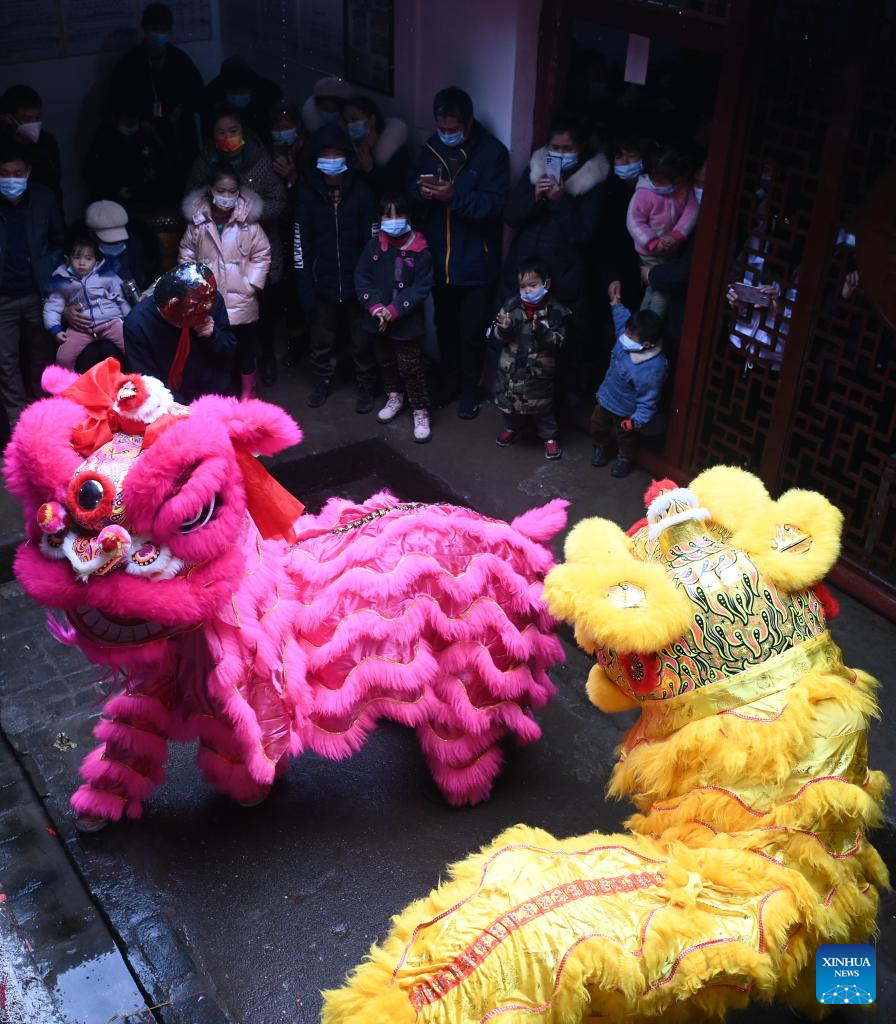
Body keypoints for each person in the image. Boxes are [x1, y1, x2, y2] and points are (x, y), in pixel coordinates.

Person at [409, 86, 509, 418]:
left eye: (453, 129)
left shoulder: (492, 153)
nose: (447, 134)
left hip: (477, 262)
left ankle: (470, 392)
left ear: (468, 122)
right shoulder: (431, 148)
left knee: (472, 333)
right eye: (442, 128)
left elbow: (494, 205)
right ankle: (449, 384)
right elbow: (410, 189)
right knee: (445, 328)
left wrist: (454, 197)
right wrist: (422, 194)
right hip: (440, 260)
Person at [502, 114, 608, 402]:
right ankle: (518, 405)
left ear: (581, 148)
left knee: (557, 349)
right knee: (518, 342)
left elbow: (583, 234)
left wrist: (561, 201)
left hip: (564, 279)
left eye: (567, 148)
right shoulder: (537, 169)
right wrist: (534, 197)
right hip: (524, 271)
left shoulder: (593, 181)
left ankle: (554, 412)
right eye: (555, 148)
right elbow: (511, 215)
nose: (560, 154)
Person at [186, 105, 288, 385]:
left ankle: (265, 361)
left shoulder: (261, 159)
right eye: (221, 132)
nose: (227, 137)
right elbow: (192, 201)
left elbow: (279, 201)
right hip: (216, 260)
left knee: (260, 318)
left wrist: (249, 215)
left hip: (252, 252)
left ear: (244, 131)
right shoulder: (204, 162)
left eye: (233, 131)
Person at [294, 124, 378, 411]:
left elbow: (373, 242)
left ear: (347, 157)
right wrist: (306, 288)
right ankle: (323, 380)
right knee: (321, 339)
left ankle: (366, 385)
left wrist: (371, 284)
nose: (331, 160)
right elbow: (301, 245)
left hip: (359, 283)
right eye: (325, 155)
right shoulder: (307, 194)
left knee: (363, 339)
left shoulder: (363, 193)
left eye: (336, 154)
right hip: (322, 282)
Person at [179, 171, 271, 399]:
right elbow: (186, 255)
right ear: (211, 190)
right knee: (215, 347)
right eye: (221, 191)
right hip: (208, 298)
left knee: (245, 348)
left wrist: (250, 283)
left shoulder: (248, 224)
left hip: (241, 298)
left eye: (232, 191)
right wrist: (196, 288)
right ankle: (221, 392)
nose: (226, 197)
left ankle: (248, 391)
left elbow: (262, 253)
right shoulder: (198, 223)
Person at [355, 193, 433, 443]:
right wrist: (376, 307)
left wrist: (396, 309)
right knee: (385, 361)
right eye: (387, 215)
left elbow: (421, 287)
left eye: (399, 214)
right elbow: (362, 278)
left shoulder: (420, 250)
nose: (393, 220)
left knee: (410, 366)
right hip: (378, 320)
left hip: (407, 323)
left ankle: (420, 410)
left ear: (409, 216)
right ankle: (395, 397)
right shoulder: (373, 246)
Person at [0, 141, 64, 434]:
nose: (11, 180)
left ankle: (42, 416)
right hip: (3, 297)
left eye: (17, 173)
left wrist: (48, 271)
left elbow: (58, 240)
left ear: (27, 172)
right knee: (6, 361)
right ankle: (16, 420)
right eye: (4, 174)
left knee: (42, 357)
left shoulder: (43, 199)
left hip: (39, 293)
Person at [108, 3, 204, 185]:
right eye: (153, 28)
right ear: (145, 28)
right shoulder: (130, 62)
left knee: (183, 180)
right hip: (144, 132)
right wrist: (138, 121)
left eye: (162, 29)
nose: (157, 33)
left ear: (169, 30)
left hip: (178, 131)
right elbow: (117, 100)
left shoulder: (180, 60)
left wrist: (182, 108)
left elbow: (197, 91)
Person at [124, 262, 237, 403]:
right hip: (170, 401)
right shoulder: (138, 323)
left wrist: (213, 335)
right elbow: (148, 382)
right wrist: (184, 409)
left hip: (216, 394)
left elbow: (229, 349)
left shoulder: (210, 299)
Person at [492, 257, 569, 460]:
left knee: (542, 410)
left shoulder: (556, 311)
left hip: (538, 375)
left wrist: (542, 332)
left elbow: (559, 343)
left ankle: (550, 438)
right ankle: (511, 428)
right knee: (509, 406)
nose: (527, 290)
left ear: (546, 283)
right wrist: (504, 329)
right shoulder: (511, 306)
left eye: (533, 285)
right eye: (523, 286)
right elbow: (498, 337)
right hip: (510, 370)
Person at [591, 293, 666, 478]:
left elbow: (648, 402)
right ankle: (601, 445)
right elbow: (621, 320)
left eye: (630, 336)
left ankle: (625, 458)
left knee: (626, 437)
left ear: (647, 345)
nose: (624, 337)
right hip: (606, 398)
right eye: (626, 333)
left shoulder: (651, 370)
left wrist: (635, 421)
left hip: (626, 411)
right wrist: (616, 304)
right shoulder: (628, 336)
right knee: (598, 425)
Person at [642, 160, 706, 364]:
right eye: (697, 182)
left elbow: (686, 270)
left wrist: (653, 275)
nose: (699, 189)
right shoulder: (682, 203)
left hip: (691, 305)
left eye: (706, 184)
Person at [626, 145, 698, 317]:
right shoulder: (644, 193)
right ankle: (650, 324)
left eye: (663, 181)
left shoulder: (684, 188)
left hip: (672, 248)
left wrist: (677, 235)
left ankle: (641, 322)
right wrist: (653, 243)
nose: (658, 185)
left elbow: (691, 211)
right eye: (656, 180)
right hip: (650, 252)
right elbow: (634, 222)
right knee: (661, 290)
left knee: (654, 288)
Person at [43, 231, 130, 371]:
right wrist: (55, 329)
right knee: (63, 357)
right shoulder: (63, 280)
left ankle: (139, 377)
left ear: (96, 261)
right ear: (68, 259)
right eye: (76, 257)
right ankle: (73, 383)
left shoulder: (106, 275)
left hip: (110, 322)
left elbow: (121, 298)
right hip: (81, 329)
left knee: (131, 347)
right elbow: (52, 305)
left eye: (88, 258)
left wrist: (129, 318)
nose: (82, 263)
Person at [84, 95, 176, 212]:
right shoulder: (105, 137)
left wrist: (153, 175)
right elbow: (93, 172)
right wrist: (115, 189)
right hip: (115, 203)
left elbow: (163, 162)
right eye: (127, 122)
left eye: (134, 121)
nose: (131, 126)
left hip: (146, 199)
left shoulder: (146, 132)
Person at [0, 85, 63, 214]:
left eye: (38, 118)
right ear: (10, 118)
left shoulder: (47, 142)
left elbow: (55, 186)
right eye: (27, 119)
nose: (34, 123)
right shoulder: (4, 147)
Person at [200, 56, 283, 141]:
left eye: (242, 90)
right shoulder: (212, 97)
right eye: (234, 91)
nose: (238, 94)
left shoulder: (267, 92)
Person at [343, 96, 410, 198]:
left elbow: (396, 191)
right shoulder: (355, 148)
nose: (350, 126)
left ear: (372, 120)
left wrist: (370, 169)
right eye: (346, 122)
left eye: (354, 120)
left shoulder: (397, 152)